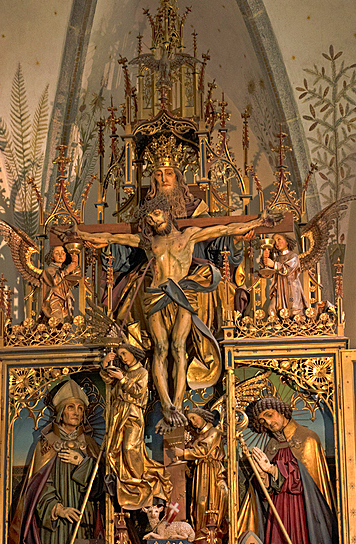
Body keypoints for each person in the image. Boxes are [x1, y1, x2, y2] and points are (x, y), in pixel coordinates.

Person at [63, 200, 280, 428]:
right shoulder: (149, 242)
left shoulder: (188, 236)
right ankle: (166, 404)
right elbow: (110, 237)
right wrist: (79, 232)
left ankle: (178, 402)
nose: (153, 221)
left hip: (183, 293)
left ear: (167, 213)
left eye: (156, 215)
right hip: (156, 294)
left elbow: (224, 229)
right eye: (149, 219)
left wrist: (259, 221)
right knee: (161, 348)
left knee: (178, 346)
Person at [6, 379, 101, 544]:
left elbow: (101, 486)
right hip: (54, 524)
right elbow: (38, 485)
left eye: (80, 409)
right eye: (71, 407)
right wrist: (57, 509)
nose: (76, 413)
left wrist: (84, 463)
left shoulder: (90, 445)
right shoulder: (47, 444)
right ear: (60, 412)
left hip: (84, 518)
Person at [244, 396, 336, 544]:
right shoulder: (271, 446)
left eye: (269, 415)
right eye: (263, 421)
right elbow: (265, 492)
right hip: (278, 508)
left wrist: (272, 470)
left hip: (302, 507)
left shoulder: (308, 438)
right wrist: (262, 476)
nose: (269, 423)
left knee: (299, 543)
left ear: (281, 411)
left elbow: (309, 484)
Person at [100, 344, 172, 510]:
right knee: (116, 450)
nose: (123, 358)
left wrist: (122, 379)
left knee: (130, 448)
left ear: (134, 353)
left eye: (125, 353)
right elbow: (107, 379)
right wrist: (106, 363)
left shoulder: (142, 372)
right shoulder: (123, 372)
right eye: (120, 355)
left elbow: (138, 392)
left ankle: (138, 482)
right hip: (118, 416)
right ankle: (125, 482)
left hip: (133, 414)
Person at [173, 407, 226, 541]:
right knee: (198, 503)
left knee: (210, 501)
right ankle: (199, 534)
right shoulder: (197, 437)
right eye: (190, 420)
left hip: (212, 470)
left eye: (194, 418)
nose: (193, 422)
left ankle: (210, 533)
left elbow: (205, 450)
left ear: (203, 416)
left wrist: (183, 454)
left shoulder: (214, 432)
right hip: (200, 471)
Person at [261, 233, 308, 316]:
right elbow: (269, 274)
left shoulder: (293, 256)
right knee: (272, 310)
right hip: (279, 290)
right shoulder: (277, 258)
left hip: (291, 289)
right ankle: (277, 327)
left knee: (293, 313)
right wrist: (265, 260)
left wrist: (274, 265)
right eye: (275, 241)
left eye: (279, 239)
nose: (277, 243)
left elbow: (287, 269)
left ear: (287, 241)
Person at [40, 245, 80, 322]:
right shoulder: (49, 270)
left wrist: (75, 264)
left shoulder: (62, 270)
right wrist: (67, 270)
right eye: (57, 253)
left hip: (65, 302)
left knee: (65, 324)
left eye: (63, 253)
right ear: (52, 257)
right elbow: (55, 281)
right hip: (53, 302)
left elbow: (74, 281)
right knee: (56, 323)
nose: (60, 255)